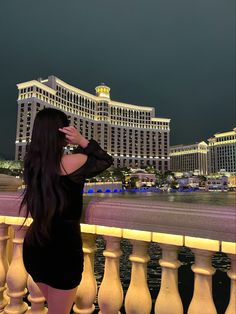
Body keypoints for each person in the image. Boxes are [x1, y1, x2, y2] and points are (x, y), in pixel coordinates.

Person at [20, 107, 113, 314]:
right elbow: (105, 161)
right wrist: (81, 140)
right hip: (63, 251)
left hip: (35, 247)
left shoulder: (32, 166)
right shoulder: (74, 162)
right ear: (61, 133)